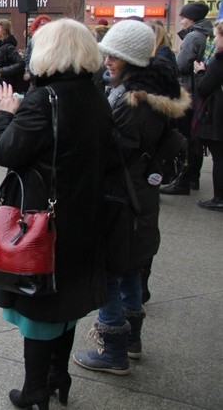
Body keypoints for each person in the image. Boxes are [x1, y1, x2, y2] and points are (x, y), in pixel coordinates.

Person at [0, 19, 113, 409]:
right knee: (67, 304)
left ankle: (36, 391)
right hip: (84, 215)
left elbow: (4, 151)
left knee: (41, 306)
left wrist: (6, 114)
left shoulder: (44, 99)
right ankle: (60, 377)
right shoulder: (95, 95)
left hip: (45, 219)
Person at [74, 20, 190, 375]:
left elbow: (109, 154)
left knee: (110, 272)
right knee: (130, 271)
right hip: (141, 197)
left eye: (115, 56)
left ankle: (113, 351)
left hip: (118, 198)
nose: (107, 60)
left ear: (133, 60)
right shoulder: (157, 91)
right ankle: (132, 340)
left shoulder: (129, 102)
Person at [161, 1, 213, 195]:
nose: (180, 21)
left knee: (187, 138)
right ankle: (192, 177)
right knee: (194, 139)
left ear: (191, 19)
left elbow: (181, 66)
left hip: (188, 92)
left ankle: (184, 179)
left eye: (183, 17)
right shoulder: (206, 34)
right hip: (198, 93)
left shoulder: (193, 37)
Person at [190, 20, 223, 210]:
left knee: (219, 158)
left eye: (217, 36)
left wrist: (200, 72)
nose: (215, 40)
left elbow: (204, 88)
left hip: (217, 115)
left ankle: (219, 197)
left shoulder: (219, 61)